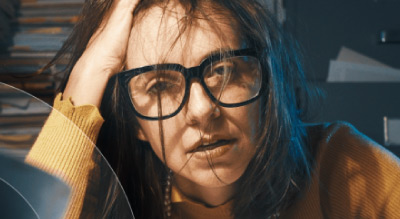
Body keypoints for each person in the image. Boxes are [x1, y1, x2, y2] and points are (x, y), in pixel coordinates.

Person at [25, 0, 400, 218]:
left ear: (263, 83)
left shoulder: (341, 166)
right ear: (134, 122)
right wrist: (88, 76)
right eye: (158, 85)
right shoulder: (105, 198)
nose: (202, 110)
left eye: (223, 71)